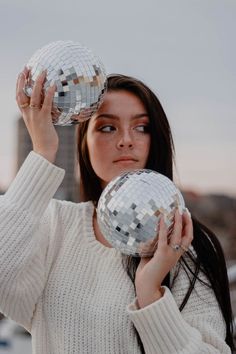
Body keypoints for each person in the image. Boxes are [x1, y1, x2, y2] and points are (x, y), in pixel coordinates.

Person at [0, 68, 234, 354]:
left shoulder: (185, 241)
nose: (126, 140)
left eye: (141, 127)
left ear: (156, 139)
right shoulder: (55, 224)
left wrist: (151, 295)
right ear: (84, 144)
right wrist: (43, 152)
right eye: (107, 127)